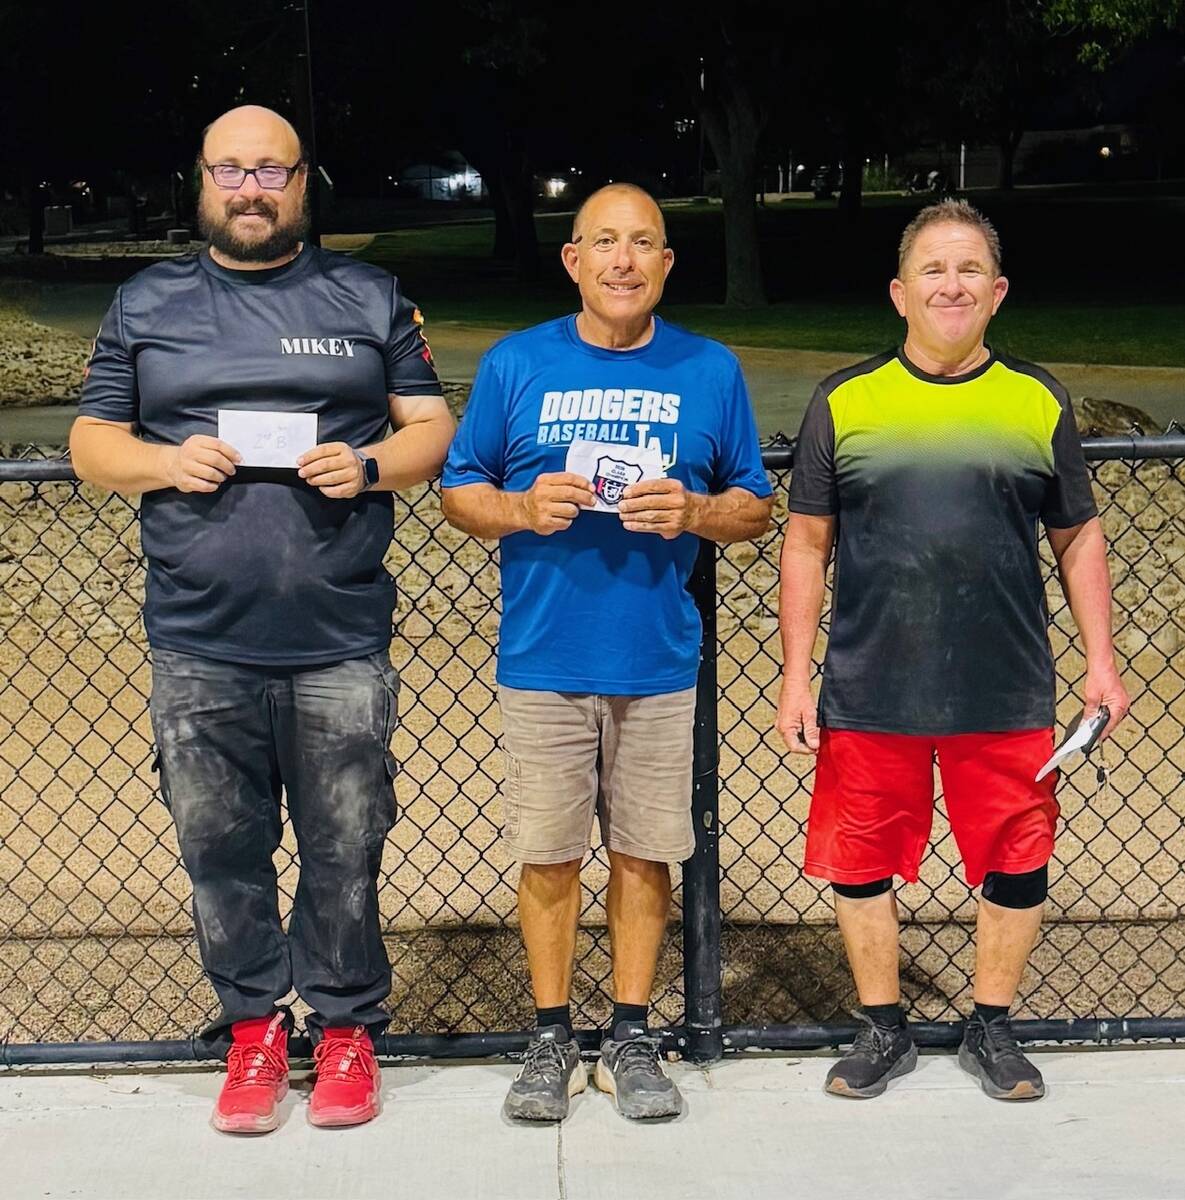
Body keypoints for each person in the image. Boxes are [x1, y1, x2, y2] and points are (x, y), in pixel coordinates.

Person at [69, 105, 454, 1133]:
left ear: (301, 182)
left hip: (337, 637)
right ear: (201, 180)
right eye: (231, 170)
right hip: (198, 638)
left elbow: (432, 430)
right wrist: (162, 462)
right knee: (219, 851)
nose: (250, 187)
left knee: (346, 843)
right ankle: (252, 1033)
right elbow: (90, 442)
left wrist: (369, 463)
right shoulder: (147, 301)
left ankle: (343, 1033)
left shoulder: (367, 296)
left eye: (270, 170)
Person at [777, 199, 1129, 1102]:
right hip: (869, 682)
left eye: (969, 268)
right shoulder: (845, 400)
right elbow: (807, 541)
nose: (951, 284)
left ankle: (991, 1026)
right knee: (859, 860)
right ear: (899, 293)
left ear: (998, 291)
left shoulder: (1033, 396)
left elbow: (1077, 535)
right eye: (933, 269)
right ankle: (882, 1027)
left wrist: (1101, 659)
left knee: (1015, 856)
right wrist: (795, 677)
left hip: (1004, 683)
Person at [441, 184, 772, 1121]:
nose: (623, 260)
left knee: (642, 853)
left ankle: (630, 1031)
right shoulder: (517, 363)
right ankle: (550, 1035)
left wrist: (697, 511)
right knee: (548, 856)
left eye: (643, 244)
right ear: (572, 260)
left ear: (667, 262)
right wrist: (520, 505)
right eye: (604, 243)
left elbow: (753, 505)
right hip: (544, 656)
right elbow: (459, 490)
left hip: (656, 659)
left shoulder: (709, 370)